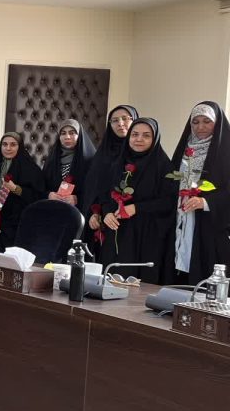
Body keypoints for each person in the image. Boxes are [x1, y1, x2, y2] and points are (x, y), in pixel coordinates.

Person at [92, 118, 176, 285]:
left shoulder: (164, 166)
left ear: (154, 139)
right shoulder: (117, 163)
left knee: (139, 285)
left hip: (147, 234)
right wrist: (107, 213)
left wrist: (137, 208)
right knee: (112, 280)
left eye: (146, 135)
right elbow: (104, 195)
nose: (139, 139)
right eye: (135, 134)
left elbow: (169, 202)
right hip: (117, 231)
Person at [169, 101, 230, 283]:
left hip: (211, 226)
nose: (200, 127)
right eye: (195, 122)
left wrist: (206, 202)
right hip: (181, 218)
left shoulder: (226, 151)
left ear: (217, 123)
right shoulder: (185, 149)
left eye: (207, 121)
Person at [0, 132, 45, 251]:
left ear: (19, 147)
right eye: (5, 144)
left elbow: (38, 196)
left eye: (13, 144)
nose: (8, 148)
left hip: (16, 225)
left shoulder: (31, 169)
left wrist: (16, 189)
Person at [82, 105, 138, 241]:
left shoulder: (143, 153)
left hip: (136, 222)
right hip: (105, 220)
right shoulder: (103, 154)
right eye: (115, 120)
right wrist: (95, 212)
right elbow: (94, 188)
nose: (120, 123)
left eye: (125, 118)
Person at [42, 118, 95, 208]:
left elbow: (96, 190)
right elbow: (41, 188)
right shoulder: (52, 160)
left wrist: (78, 199)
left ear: (79, 135)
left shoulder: (90, 160)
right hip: (53, 208)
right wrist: (49, 195)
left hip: (81, 210)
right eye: (63, 133)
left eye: (72, 133)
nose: (67, 137)